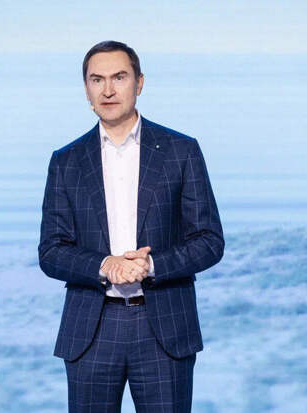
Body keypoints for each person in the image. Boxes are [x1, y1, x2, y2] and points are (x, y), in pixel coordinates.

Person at [38, 40, 224, 413]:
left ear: (139, 83)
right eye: (97, 80)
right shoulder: (66, 161)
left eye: (119, 77)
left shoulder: (180, 151)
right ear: (86, 90)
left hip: (163, 329)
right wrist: (104, 265)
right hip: (92, 329)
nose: (108, 89)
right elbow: (51, 251)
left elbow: (209, 241)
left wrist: (151, 265)